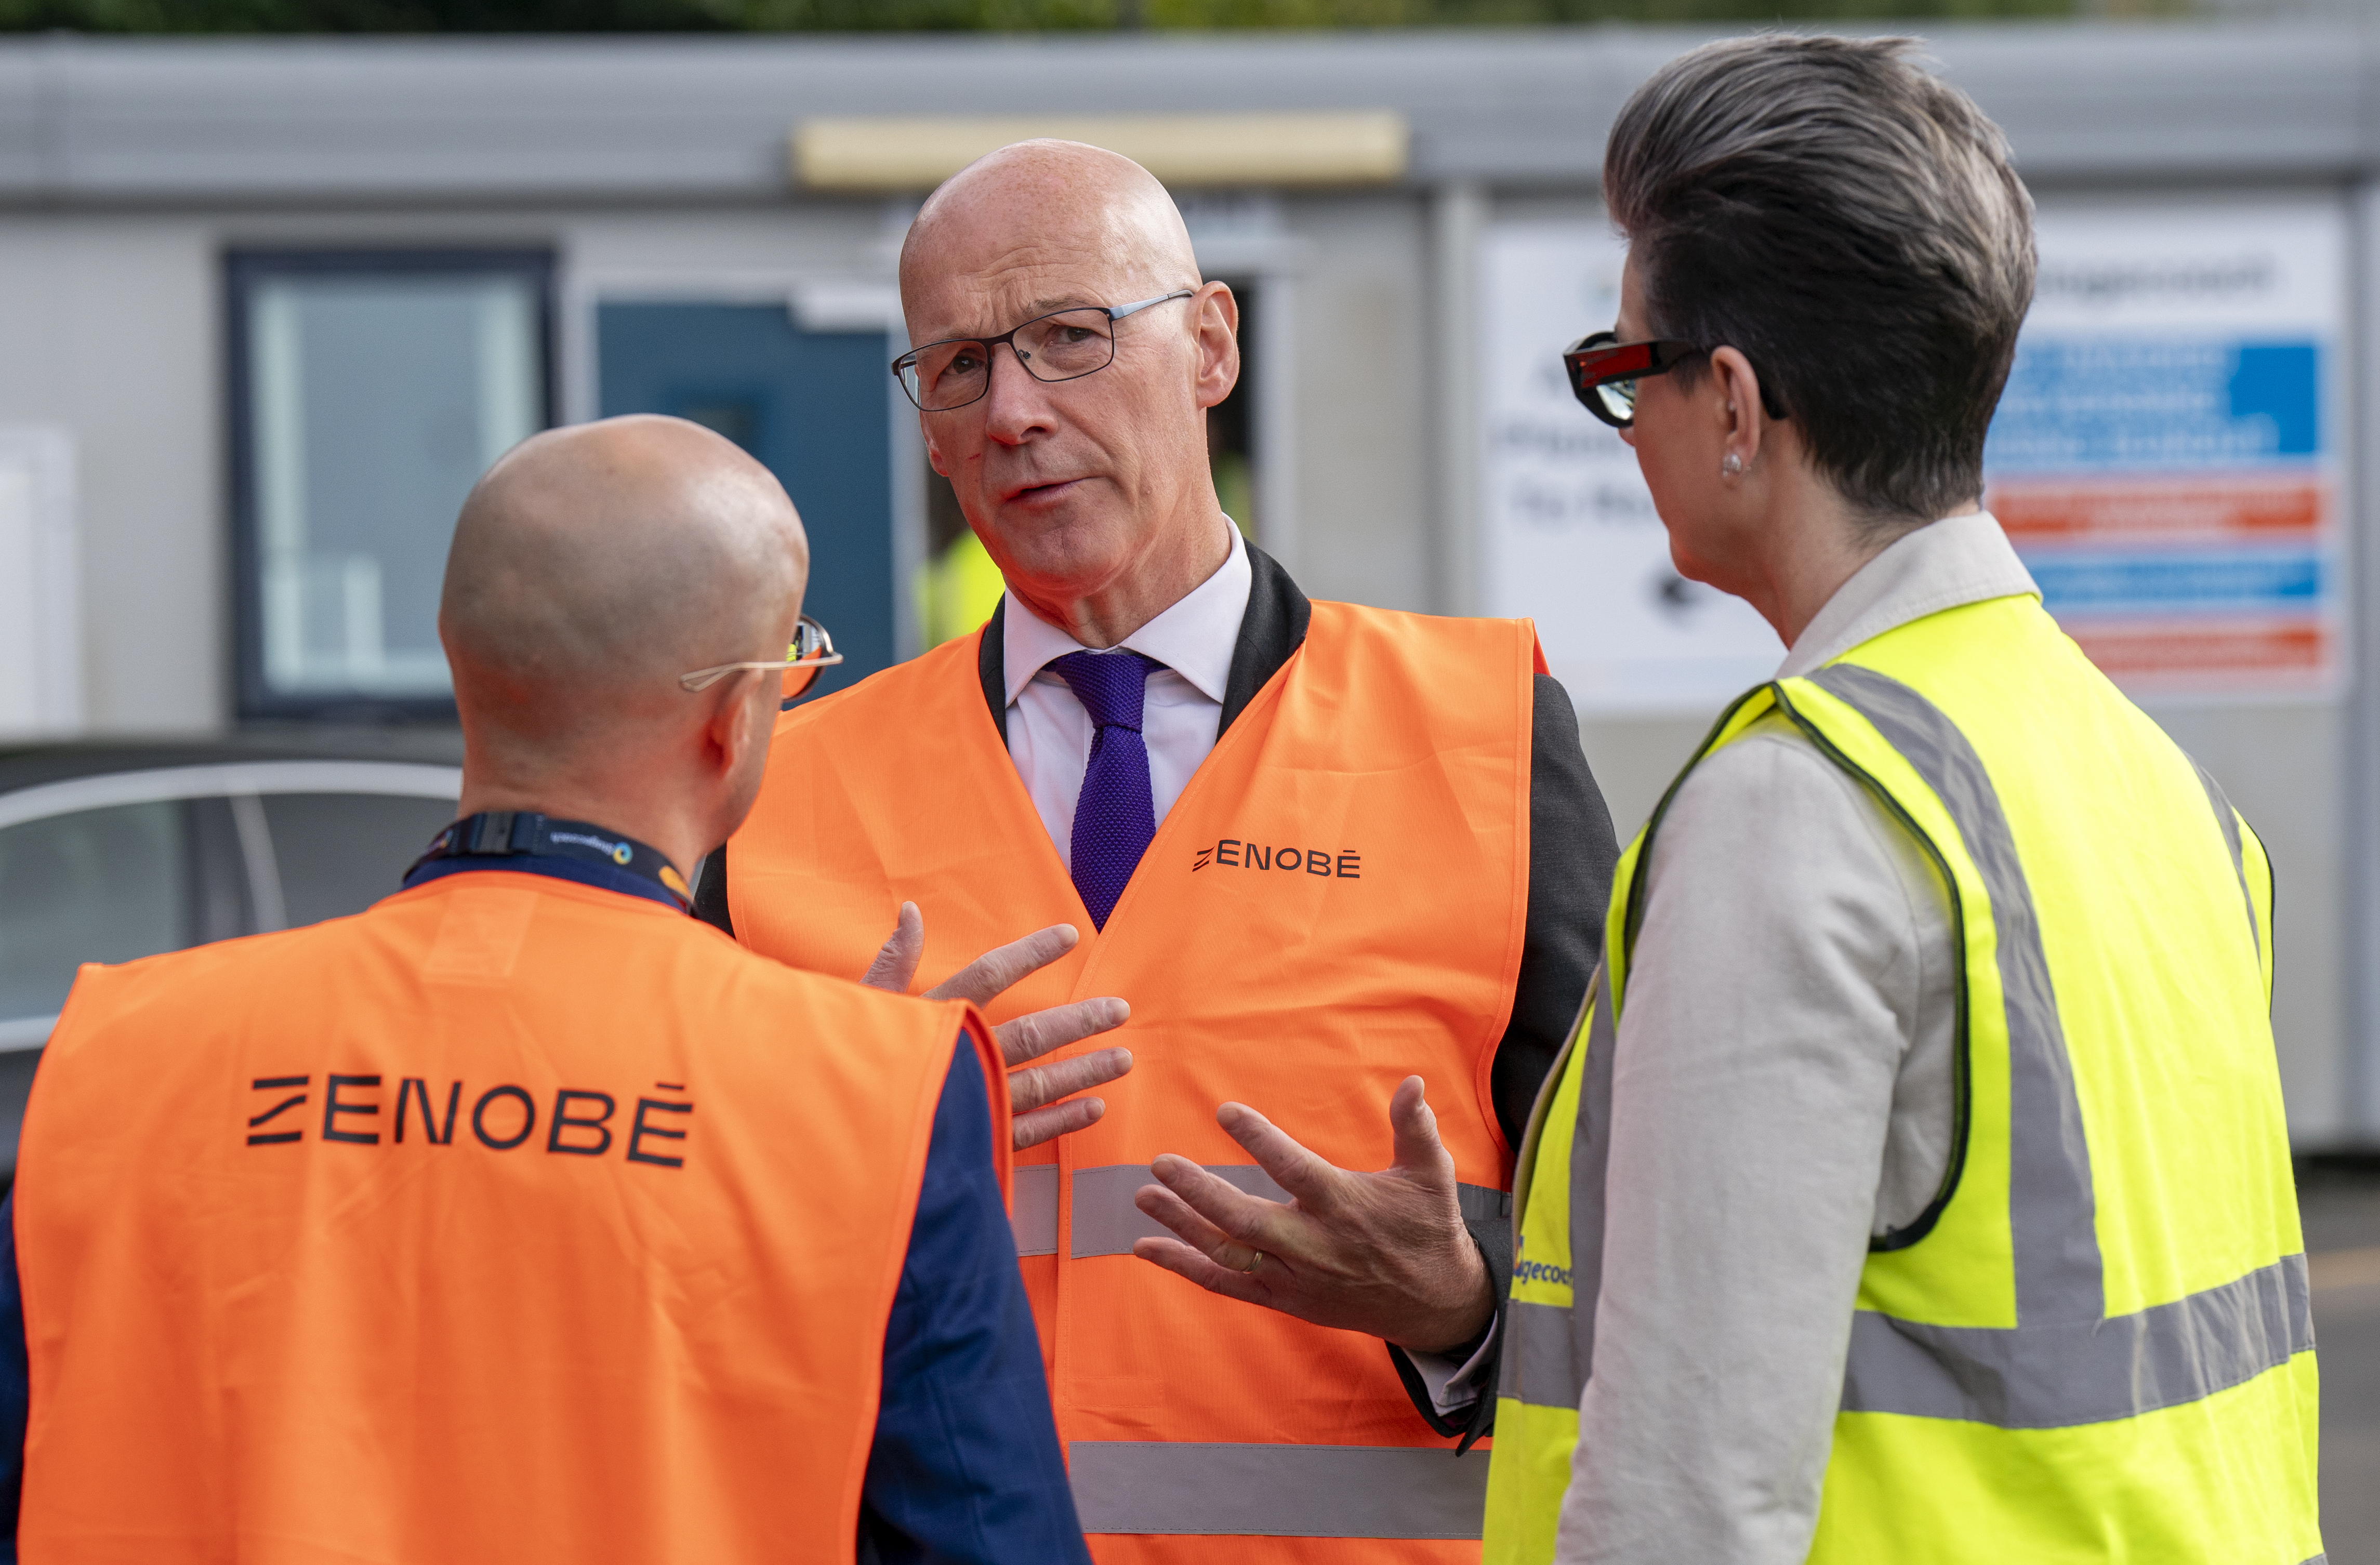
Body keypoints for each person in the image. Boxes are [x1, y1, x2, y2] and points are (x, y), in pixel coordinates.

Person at [695, 139, 1620, 1557]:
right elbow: (659, 1259)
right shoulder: (778, 792)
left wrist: (1461, 1303)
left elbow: (1639, 1234)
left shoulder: (1484, 736)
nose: (1010, 412)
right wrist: (833, 1148)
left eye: (1068, 339)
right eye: (954, 367)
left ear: (1208, 346)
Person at [1473, 36, 2321, 1564]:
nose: (1629, 426)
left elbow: (1687, 1499)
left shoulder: (1797, 807)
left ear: (1731, 401)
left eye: (1619, 371)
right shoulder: (2153, 780)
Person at [0, 415, 1091, 1564]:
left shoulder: (119, 1056)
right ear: (734, 721)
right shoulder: (874, 1095)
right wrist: (844, 1115)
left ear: (462, 663)